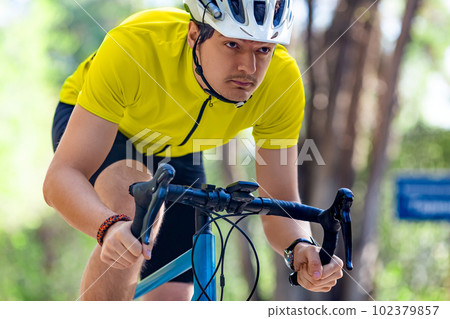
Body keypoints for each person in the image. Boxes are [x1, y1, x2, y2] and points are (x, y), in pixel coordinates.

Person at [43, 0, 343, 301]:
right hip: (107, 126)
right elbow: (61, 178)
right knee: (134, 213)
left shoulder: (282, 82)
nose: (248, 68)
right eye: (232, 44)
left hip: (182, 150)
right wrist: (107, 227)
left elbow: (281, 199)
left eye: (263, 49)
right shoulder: (134, 47)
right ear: (194, 35)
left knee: (173, 298)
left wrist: (300, 247)